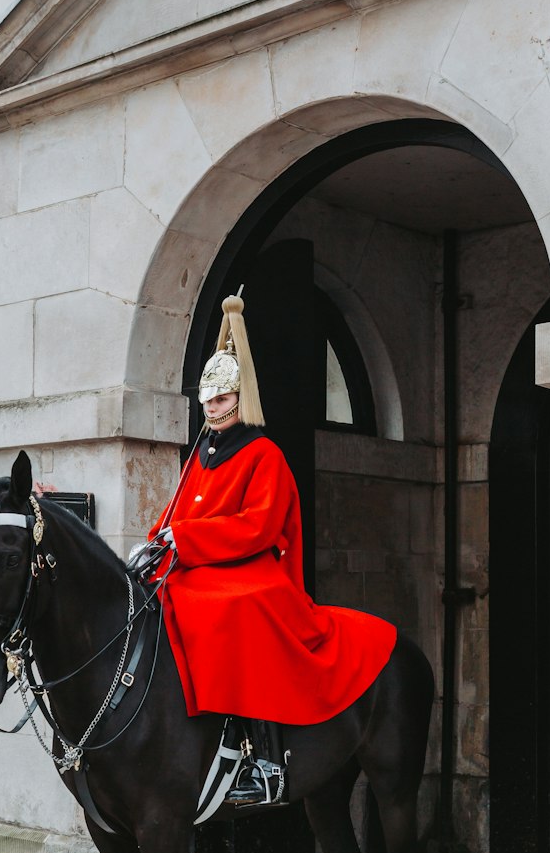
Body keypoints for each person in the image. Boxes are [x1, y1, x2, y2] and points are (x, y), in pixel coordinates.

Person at [131, 295, 398, 806]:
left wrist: (187, 540)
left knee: (235, 606)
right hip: (200, 566)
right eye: (207, 401)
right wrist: (154, 542)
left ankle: (264, 757)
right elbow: (175, 513)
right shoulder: (200, 455)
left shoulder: (264, 454)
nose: (212, 408)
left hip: (253, 570)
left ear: (241, 396)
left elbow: (258, 527)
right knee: (156, 600)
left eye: (222, 399)